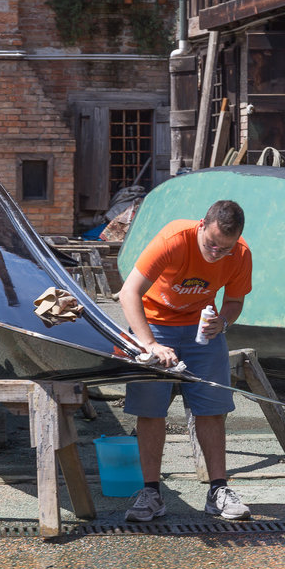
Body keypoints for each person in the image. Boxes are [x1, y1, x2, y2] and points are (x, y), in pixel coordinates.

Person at [118, 199, 253, 521]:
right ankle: (151, 492)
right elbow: (128, 293)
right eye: (212, 245)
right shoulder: (173, 239)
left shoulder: (241, 254)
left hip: (201, 330)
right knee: (150, 411)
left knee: (212, 409)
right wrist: (149, 344)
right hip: (152, 325)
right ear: (201, 226)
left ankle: (218, 490)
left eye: (225, 248)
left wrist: (223, 322)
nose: (217, 254)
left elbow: (234, 301)